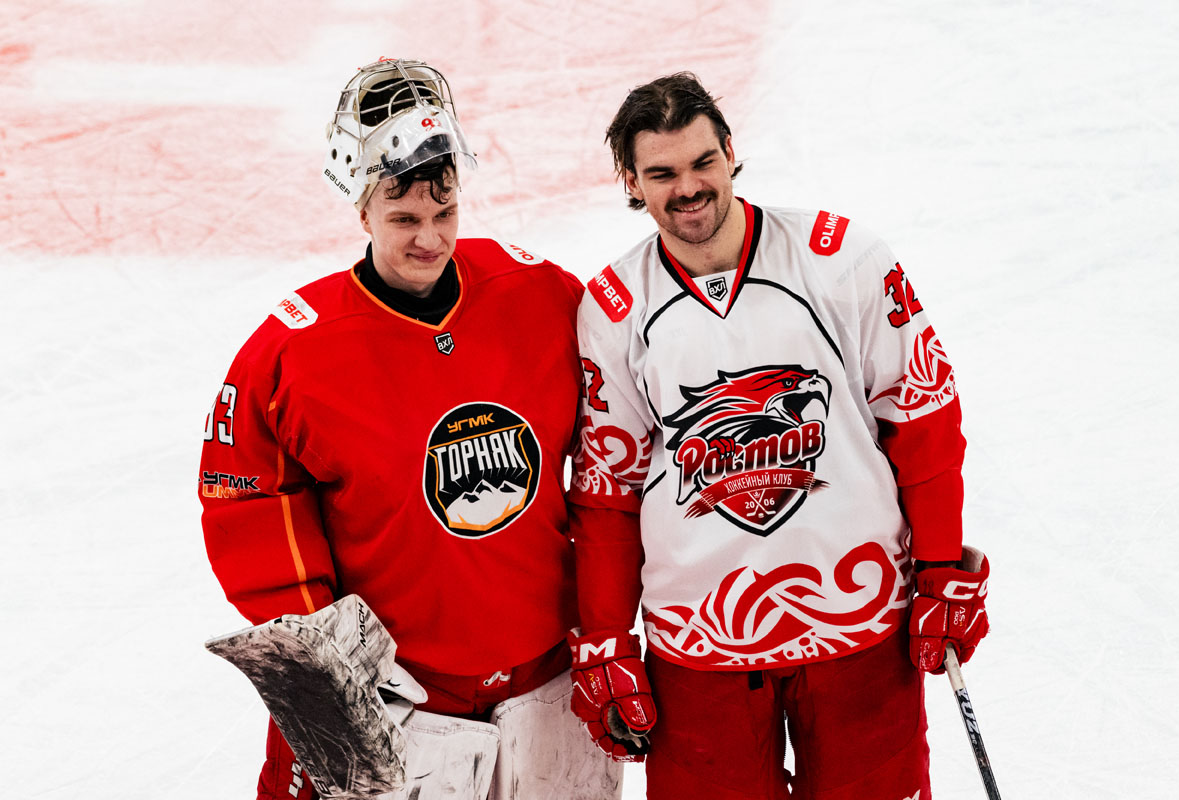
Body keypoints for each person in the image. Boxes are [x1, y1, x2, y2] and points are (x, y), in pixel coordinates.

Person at [566, 72, 991, 800]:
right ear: (630, 182)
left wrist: (941, 564)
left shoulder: (844, 258)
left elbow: (922, 417)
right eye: (662, 174)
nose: (689, 188)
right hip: (698, 646)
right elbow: (610, 487)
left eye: (703, 162)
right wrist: (608, 637)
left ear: (731, 152)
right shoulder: (614, 307)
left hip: (859, 624)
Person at [200, 58, 600, 800]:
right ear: (362, 212)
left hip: (547, 683)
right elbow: (248, 503)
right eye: (404, 220)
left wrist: (608, 625)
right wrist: (326, 663)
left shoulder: (541, 296)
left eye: (444, 215)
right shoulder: (292, 352)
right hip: (396, 704)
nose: (430, 240)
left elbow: (618, 456)